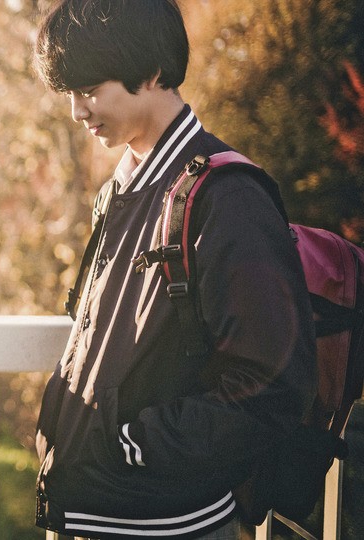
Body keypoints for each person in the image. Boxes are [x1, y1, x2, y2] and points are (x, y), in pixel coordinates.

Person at [31, 1, 316, 538]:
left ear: (153, 71)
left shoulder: (228, 198)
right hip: (108, 508)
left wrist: (131, 445)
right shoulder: (124, 190)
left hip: (167, 520)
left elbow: (271, 383)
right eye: (68, 93)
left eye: (89, 89)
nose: (76, 111)